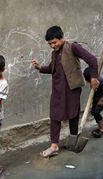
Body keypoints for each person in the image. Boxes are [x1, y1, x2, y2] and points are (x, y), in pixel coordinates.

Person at [31, 26, 99, 157]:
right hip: (58, 89)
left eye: (54, 42)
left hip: (72, 89)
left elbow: (92, 60)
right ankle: (54, 145)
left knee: (73, 114)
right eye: (50, 44)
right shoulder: (54, 53)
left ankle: (73, 139)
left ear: (62, 38)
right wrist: (40, 67)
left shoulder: (73, 47)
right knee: (55, 115)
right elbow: (52, 68)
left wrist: (94, 77)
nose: (52, 45)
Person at [83, 67, 103, 138]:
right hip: (96, 99)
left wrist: (101, 100)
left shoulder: (101, 81)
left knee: (96, 112)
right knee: (93, 112)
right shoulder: (94, 81)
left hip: (102, 100)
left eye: (87, 79)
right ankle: (100, 127)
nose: (87, 81)